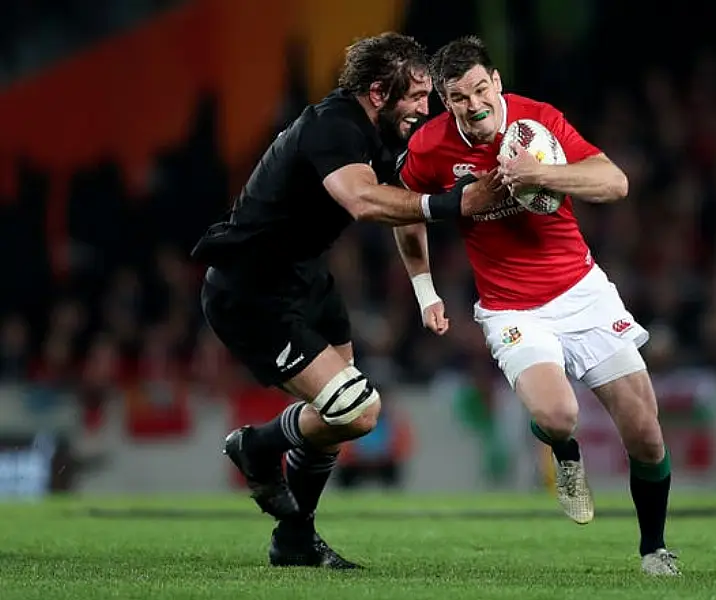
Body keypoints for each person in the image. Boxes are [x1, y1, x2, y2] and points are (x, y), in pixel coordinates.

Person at [190, 32, 501, 569]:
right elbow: (362, 200)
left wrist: (425, 290)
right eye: (418, 96)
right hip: (251, 290)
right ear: (380, 92)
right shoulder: (333, 126)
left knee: (336, 415)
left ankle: (293, 539)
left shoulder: (382, 133)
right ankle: (260, 446)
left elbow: (405, 207)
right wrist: (459, 201)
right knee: (357, 412)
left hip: (305, 278)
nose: (425, 109)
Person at [394, 36, 679, 576]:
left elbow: (613, 182)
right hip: (511, 309)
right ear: (445, 102)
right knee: (558, 413)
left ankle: (654, 550)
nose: (474, 104)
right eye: (458, 97)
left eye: (481, 89)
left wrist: (539, 173)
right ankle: (560, 449)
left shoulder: (538, 123)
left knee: (645, 432)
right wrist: (425, 291)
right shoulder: (431, 148)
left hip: (582, 292)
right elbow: (405, 210)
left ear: (496, 82)